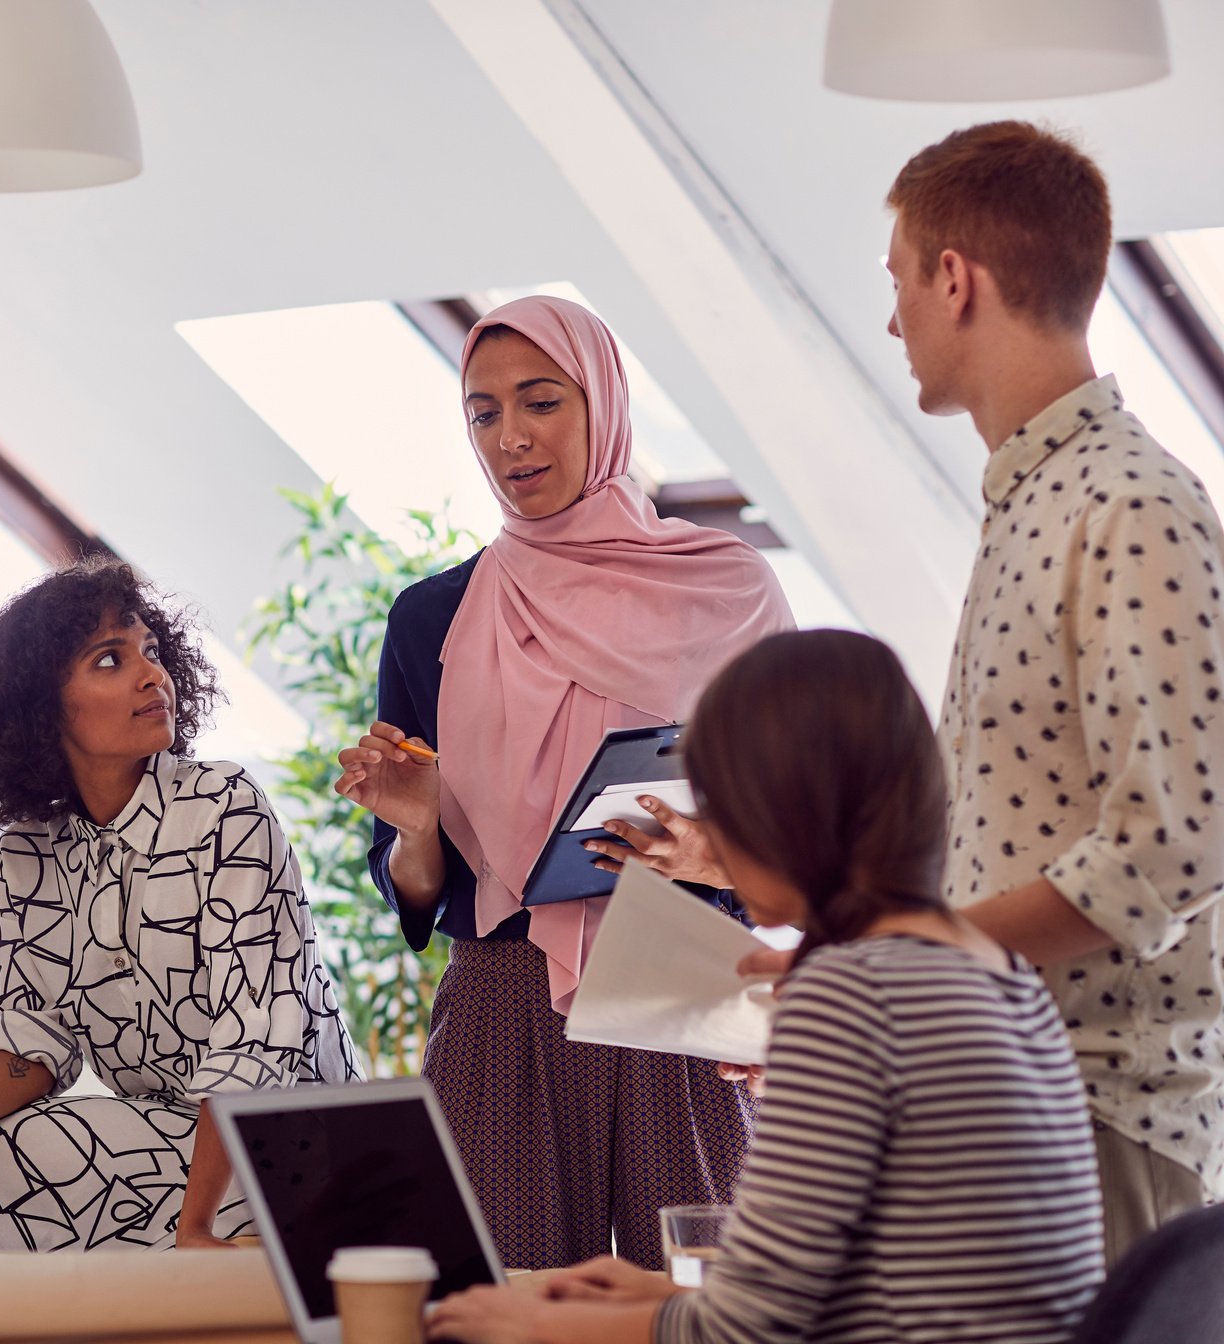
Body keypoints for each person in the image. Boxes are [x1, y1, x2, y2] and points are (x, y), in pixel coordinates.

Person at [601, 122, 1224, 1261]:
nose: (891, 322)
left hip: (1102, 1113)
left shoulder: (1130, 504)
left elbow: (1177, 846)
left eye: (899, 283)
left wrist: (885, 963)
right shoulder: (1030, 503)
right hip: (1015, 1089)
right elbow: (1014, 832)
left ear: (955, 278)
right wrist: (739, 866)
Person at [428, 629, 1105, 1344]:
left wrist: (530, 1322)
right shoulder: (994, 969)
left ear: (785, 810)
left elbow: (747, 1330)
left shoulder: (849, 993)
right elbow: (864, 1278)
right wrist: (659, 1289)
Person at [331, 296, 792, 1270]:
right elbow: (418, 885)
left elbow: (800, 825)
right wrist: (415, 830)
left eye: (541, 402)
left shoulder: (728, 590)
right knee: (501, 1306)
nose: (513, 438)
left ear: (606, 405)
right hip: (502, 998)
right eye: (484, 415)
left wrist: (715, 850)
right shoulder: (433, 618)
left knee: (707, 1302)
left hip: (687, 974)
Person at [0, 558, 361, 1252]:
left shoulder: (226, 808)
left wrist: (194, 1230)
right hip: (165, 1140)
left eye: (151, 651)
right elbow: (32, 1044)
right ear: (41, 711)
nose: (150, 674)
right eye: (109, 659)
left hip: (288, 1146)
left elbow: (255, 1045)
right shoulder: (30, 852)